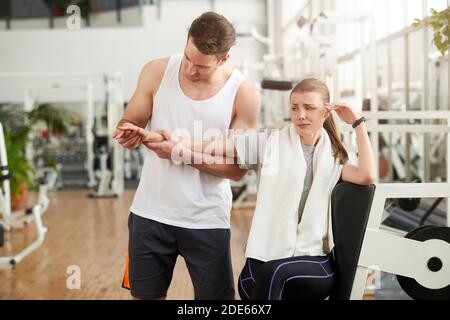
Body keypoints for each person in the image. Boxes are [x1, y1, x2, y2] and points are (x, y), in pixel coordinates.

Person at [120, 78, 376, 300]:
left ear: (326, 112)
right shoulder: (269, 143)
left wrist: (358, 123)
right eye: (295, 108)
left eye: (309, 108)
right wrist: (173, 143)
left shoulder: (334, 157)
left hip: (312, 259)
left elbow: (367, 175)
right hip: (266, 256)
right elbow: (215, 146)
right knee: (253, 281)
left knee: (275, 273)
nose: (300, 115)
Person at [113, 11, 261, 300]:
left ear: (224, 59)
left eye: (201, 67)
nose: (190, 70)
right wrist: (128, 133)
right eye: (187, 58)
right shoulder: (156, 71)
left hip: (206, 219)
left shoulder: (244, 93)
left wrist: (179, 153)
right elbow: (130, 121)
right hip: (150, 214)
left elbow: (237, 170)